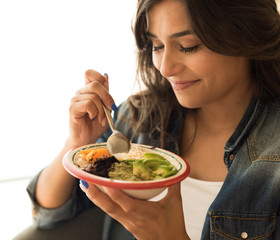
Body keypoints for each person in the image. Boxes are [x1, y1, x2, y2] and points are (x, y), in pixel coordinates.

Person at [23, 0, 280, 239]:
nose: (166, 68)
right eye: (157, 46)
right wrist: (76, 142)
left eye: (188, 46)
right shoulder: (139, 119)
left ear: (248, 35)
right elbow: (48, 214)